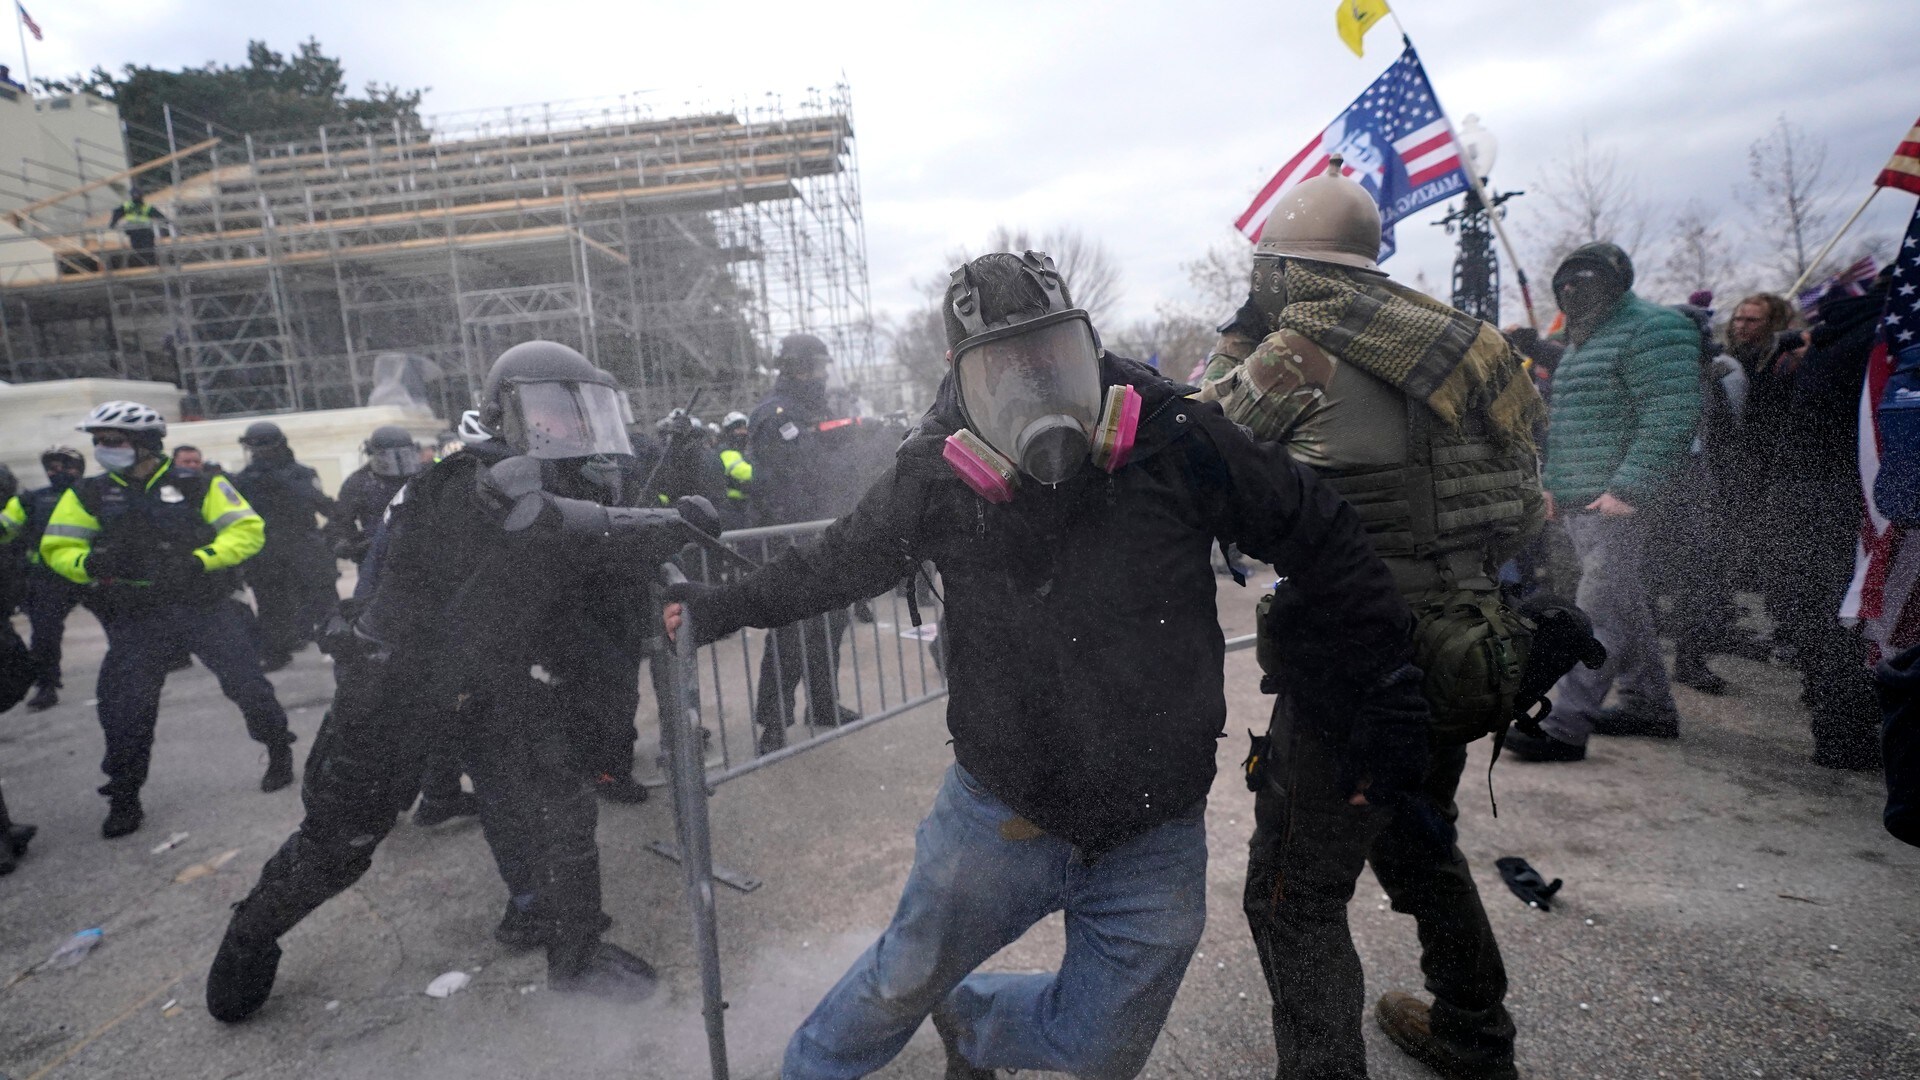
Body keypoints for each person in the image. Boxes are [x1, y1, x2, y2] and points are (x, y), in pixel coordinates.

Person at [664, 251, 1418, 1080]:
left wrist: (1378, 699)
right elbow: (831, 566)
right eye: (1004, 371)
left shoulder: (1177, 437)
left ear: (1088, 347)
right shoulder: (937, 475)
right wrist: (713, 608)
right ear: (961, 386)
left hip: (1153, 829)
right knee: (895, 985)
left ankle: (973, 1017)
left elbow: (1326, 535)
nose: (1035, 390)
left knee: (1102, 1049)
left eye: (1052, 359)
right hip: (999, 814)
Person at [206, 342, 713, 1022]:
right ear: (507, 412)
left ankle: (570, 948)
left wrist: (672, 526)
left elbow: (588, 559)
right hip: (398, 688)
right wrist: (649, 526)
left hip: (486, 681)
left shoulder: (563, 484)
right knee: (341, 844)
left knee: (557, 807)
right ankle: (249, 938)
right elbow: (548, 533)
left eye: (581, 411)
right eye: (551, 411)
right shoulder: (464, 483)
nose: (568, 428)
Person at [1198, 157, 1544, 1080]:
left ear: (1281, 268)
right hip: (1471, 641)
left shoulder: (1297, 349)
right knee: (1418, 831)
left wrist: (1235, 341)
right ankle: (1476, 1034)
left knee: (1292, 899)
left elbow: (1202, 447)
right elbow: (1527, 501)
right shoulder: (1468, 342)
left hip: (1358, 656)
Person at [40, 401, 297, 838]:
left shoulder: (198, 483)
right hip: (138, 614)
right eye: (99, 442)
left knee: (248, 684)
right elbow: (57, 548)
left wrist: (201, 561)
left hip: (205, 605)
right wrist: (93, 564)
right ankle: (124, 794)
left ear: (145, 444)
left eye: (113, 441)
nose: (104, 449)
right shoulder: (87, 494)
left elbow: (246, 530)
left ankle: (277, 748)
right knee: (125, 707)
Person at [1505, 244, 1701, 762]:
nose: (1573, 291)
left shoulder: (1655, 328)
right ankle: (1649, 706)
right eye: (1566, 283)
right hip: (1582, 499)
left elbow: (1671, 413)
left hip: (1620, 500)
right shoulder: (1580, 340)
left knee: (1598, 614)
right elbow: (1568, 423)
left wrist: (1629, 487)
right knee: (1625, 604)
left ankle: (1565, 725)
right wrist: (1553, 484)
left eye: (1584, 282)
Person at [1761, 277, 1892, 769]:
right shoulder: (1872, 346)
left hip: (1801, 500)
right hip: (1848, 502)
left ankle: (1835, 726)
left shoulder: (1831, 341)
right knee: (1847, 621)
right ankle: (1847, 732)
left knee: (1820, 618)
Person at [744, 334, 866, 752]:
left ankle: (824, 704)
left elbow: (831, 470)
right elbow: (780, 483)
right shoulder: (773, 415)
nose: (822, 375)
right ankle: (774, 721)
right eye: (816, 367)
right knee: (790, 630)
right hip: (791, 538)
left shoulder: (816, 410)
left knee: (830, 623)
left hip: (825, 533)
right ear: (796, 367)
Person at [233, 422, 340, 671]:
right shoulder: (246, 479)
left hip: (302, 543)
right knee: (271, 603)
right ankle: (277, 650)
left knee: (323, 600)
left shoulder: (300, 474)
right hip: (267, 549)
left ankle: (337, 644)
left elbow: (323, 505)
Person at [0, 448, 88, 711]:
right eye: (52, 466)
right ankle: (47, 685)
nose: (58, 471)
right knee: (45, 635)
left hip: (93, 571)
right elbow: (6, 524)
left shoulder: (97, 493)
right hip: (49, 578)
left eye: (66, 465)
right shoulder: (31, 499)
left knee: (129, 623)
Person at [326, 426, 421, 564]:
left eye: (403, 456)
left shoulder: (423, 476)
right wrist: (345, 543)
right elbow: (340, 520)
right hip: (378, 557)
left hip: (423, 553)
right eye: (388, 457)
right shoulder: (360, 482)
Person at [109, 188, 167, 267]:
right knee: (145, 249)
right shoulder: (142, 207)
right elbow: (159, 216)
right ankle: (149, 265)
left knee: (143, 250)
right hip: (140, 231)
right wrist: (167, 222)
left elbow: (117, 213)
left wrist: (113, 223)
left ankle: (149, 265)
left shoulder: (130, 206)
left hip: (138, 231)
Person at [717, 410, 754, 529]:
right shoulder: (726, 451)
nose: (742, 432)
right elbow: (743, 472)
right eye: (738, 429)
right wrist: (764, 472)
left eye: (744, 429)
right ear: (729, 431)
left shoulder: (743, 451)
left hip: (745, 504)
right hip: (732, 506)